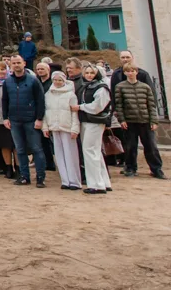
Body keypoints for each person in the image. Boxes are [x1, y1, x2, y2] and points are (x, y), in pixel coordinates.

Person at [1, 54, 47, 187]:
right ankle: (24, 176)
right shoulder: (8, 81)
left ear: (24, 63)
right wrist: (5, 117)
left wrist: (39, 118)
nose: (16, 65)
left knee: (36, 149)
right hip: (15, 120)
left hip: (31, 120)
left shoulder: (33, 80)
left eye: (18, 63)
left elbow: (40, 100)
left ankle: (40, 177)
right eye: (13, 63)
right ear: (10, 65)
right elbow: (5, 100)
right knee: (20, 149)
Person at [114, 63, 165, 179]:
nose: (130, 73)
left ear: (136, 72)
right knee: (131, 147)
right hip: (130, 121)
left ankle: (156, 169)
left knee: (151, 146)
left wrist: (154, 121)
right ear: (125, 73)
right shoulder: (120, 87)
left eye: (132, 71)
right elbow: (119, 105)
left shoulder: (145, 87)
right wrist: (122, 119)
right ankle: (131, 168)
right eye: (128, 71)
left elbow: (151, 105)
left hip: (145, 121)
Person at [76, 62, 113, 194]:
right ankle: (103, 181)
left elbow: (97, 107)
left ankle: (96, 184)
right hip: (86, 121)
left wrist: (80, 107)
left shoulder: (101, 88)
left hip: (95, 122)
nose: (89, 75)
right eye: (87, 73)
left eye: (92, 73)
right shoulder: (86, 86)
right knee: (94, 151)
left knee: (90, 150)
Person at [43, 70, 81, 190]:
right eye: (55, 80)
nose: (57, 82)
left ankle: (74, 181)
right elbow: (45, 112)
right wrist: (45, 127)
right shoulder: (48, 94)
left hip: (67, 127)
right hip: (54, 127)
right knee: (59, 154)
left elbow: (75, 113)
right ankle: (65, 180)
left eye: (60, 80)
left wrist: (75, 128)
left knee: (70, 154)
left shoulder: (71, 95)